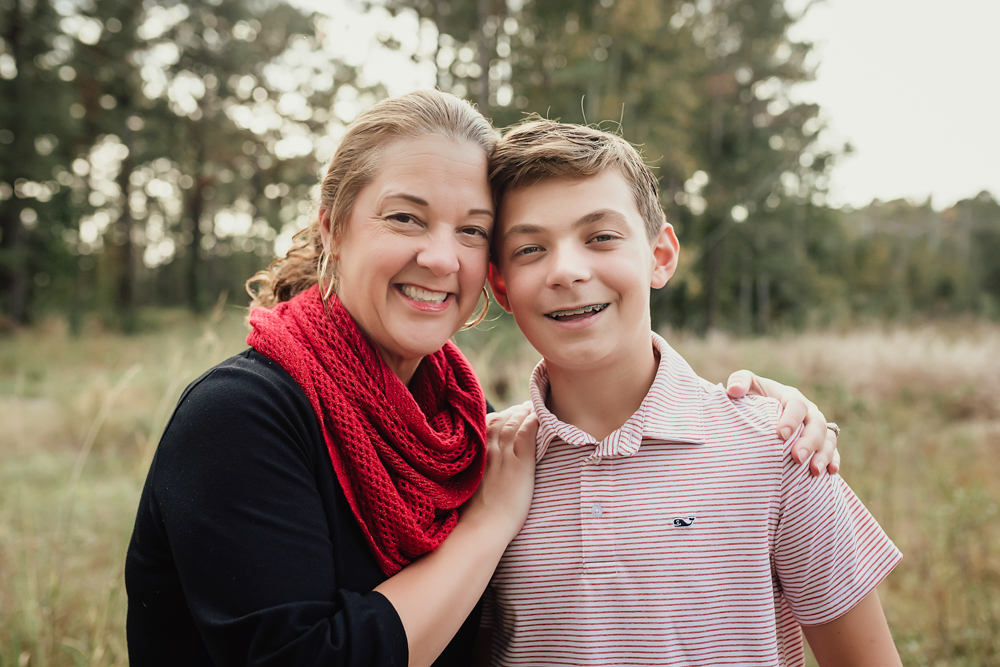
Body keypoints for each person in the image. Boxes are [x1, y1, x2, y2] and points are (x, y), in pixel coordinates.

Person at [124, 90, 840, 667]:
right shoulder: (242, 415)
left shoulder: (467, 432)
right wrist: (490, 523)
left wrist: (738, 411)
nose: (441, 257)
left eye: (470, 229)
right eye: (406, 217)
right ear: (333, 228)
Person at [480, 119, 901, 666]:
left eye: (601, 237)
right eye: (531, 249)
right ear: (501, 285)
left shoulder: (779, 447)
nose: (567, 270)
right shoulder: (483, 465)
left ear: (660, 256)